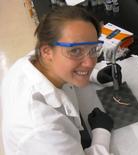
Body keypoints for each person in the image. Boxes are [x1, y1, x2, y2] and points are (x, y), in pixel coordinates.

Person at [1, 6, 113, 155]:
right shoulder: (42, 130)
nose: (91, 63)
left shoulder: (29, 63)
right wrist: (101, 133)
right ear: (47, 51)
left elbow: (68, 64)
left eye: (93, 49)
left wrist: (94, 75)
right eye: (75, 50)